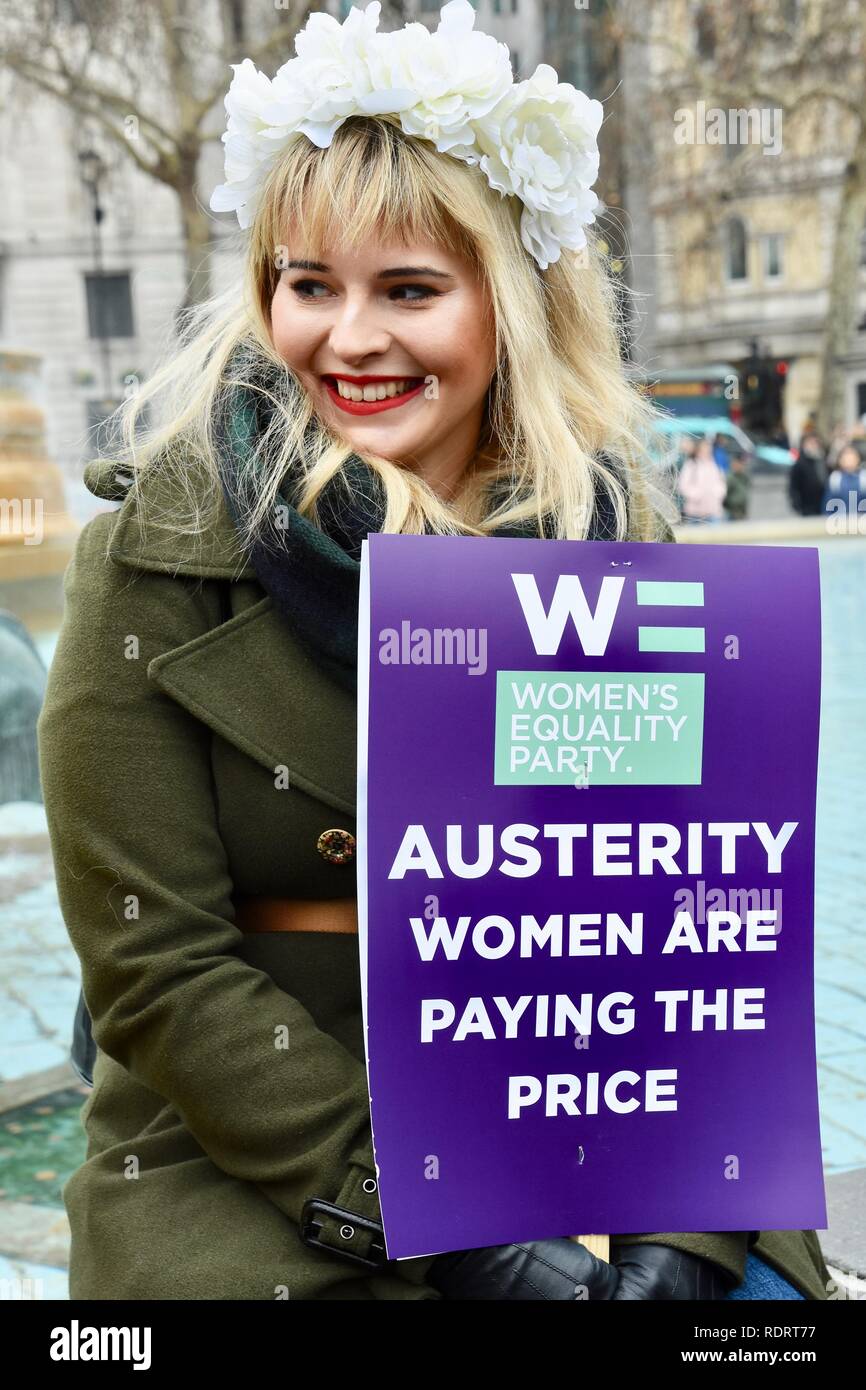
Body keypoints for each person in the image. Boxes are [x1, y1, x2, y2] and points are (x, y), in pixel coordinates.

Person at [37, 0, 831, 1302]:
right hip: (264, 1163)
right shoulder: (152, 559)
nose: (348, 338)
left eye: (408, 288)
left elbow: (694, 921)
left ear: (513, 303)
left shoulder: (615, 530)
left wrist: (688, 1229)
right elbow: (156, 967)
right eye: (308, 285)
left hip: (606, 1117)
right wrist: (443, 1221)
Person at [677, 437, 728, 523]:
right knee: (693, 535)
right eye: (704, 450)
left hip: (713, 510)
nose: (707, 452)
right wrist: (696, 494)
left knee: (715, 535)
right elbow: (682, 485)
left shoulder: (715, 465)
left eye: (708, 450)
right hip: (694, 510)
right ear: (698, 451)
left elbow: (721, 483)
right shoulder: (691, 465)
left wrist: (717, 494)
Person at [822, 441, 866, 518]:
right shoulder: (834, 479)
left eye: (852, 455)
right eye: (845, 456)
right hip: (839, 525)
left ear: (858, 458)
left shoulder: (864, 477)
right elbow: (827, 506)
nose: (849, 459)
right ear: (840, 460)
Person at [789, 431, 828, 516]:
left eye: (816, 442)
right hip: (807, 506)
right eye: (810, 442)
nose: (813, 445)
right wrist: (796, 504)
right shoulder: (799, 464)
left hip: (824, 504)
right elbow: (793, 487)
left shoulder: (822, 460)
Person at [723, 451, 752, 521]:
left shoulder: (745, 476)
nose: (742, 465)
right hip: (732, 512)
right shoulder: (730, 477)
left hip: (742, 511)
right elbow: (724, 495)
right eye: (740, 463)